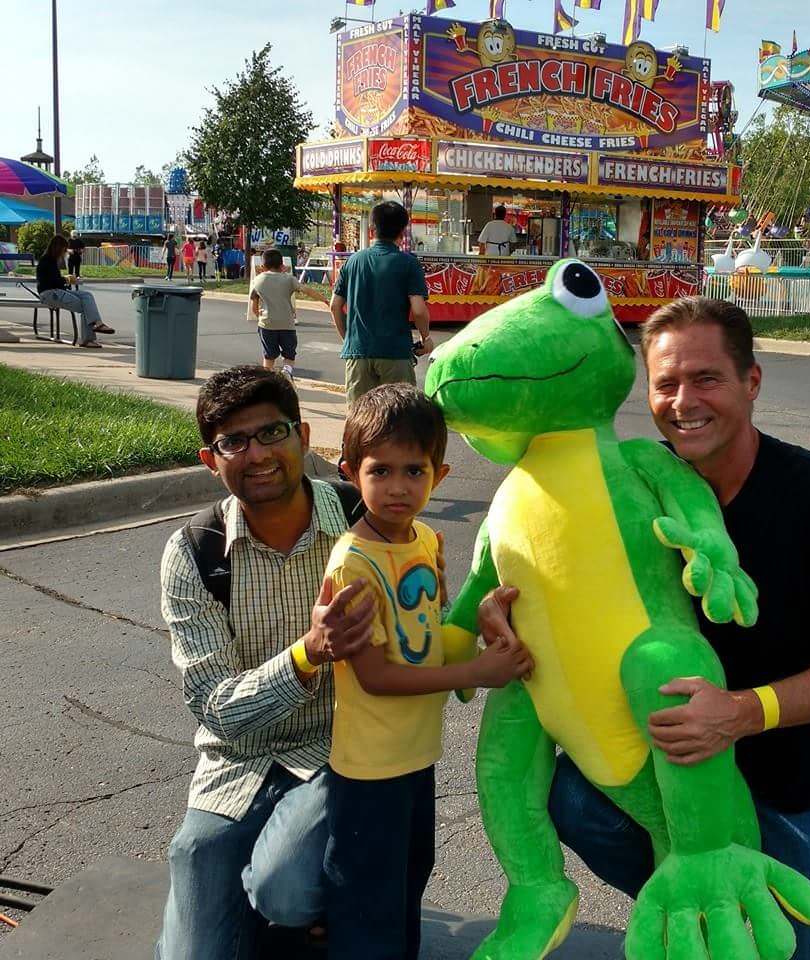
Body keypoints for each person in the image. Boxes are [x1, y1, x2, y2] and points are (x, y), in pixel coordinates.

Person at [477, 297, 810, 960]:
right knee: (569, 796)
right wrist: (507, 619)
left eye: (706, 379)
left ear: (751, 382)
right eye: (665, 384)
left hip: (797, 777)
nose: (683, 402)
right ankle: (701, 893)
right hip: (674, 779)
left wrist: (740, 712)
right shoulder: (628, 485)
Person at [156, 365, 384, 960]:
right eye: (235, 441)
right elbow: (215, 707)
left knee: (283, 887)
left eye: (272, 433)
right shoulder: (195, 552)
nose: (256, 454)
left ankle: (304, 908)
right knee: (192, 945)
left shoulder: (368, 521)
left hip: (341, 753)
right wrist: (309, 654)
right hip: (235, 767)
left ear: (304, 436)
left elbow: (422, 627)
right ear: (212, 460)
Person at [324, 383, 532, 959]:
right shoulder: (355, 563)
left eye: (413, 471)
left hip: (416, 756)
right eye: (380, 471)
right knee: (370, 904)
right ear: (350, 472)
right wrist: (480, 674)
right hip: (369, 768)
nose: (397, 488)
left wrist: (483, 621)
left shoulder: (423, 539)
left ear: (439, 476)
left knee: (410, 879)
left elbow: (425, 637)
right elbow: (378, 676)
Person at [329, 201, 433, 409]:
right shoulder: (408, 263)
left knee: (361, 421)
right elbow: (419, 310)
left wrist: (349, 339)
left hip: (358, 352)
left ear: (372, 230)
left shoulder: (353, 261)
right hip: (395, 353)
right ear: (403, 232)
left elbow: (335, 305)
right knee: (400, 419)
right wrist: (425, 338)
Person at [250, 247, 327, 380]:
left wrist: (259, 315)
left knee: (269, 355)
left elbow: (254, 306)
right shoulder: (289, 279)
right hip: (287, 324)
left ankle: (266, 379)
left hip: (267, 324)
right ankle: (287, 372)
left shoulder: (257, 280)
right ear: (282, 265)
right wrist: (325, 300)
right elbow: (306, 290)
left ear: (263, 266)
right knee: (289, 355)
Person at [36, 234, 114, 348]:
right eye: (64, 250)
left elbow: (55, 280)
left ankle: (98, 324)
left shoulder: (51, 260)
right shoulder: (47, 261)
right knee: (85, 307)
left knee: (87, 295)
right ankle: (88, 339)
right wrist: (66, 279)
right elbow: (53, 281)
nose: (65, 253)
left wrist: (65, 280)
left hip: (56, 291)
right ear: (58, 248)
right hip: (50, 294)